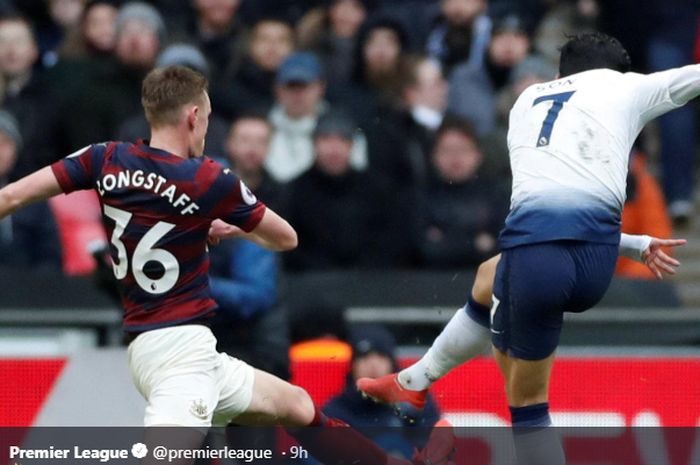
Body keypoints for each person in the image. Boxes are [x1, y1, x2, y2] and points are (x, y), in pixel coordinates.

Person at [0, 65, 453, 465]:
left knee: (296, 404)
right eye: (208, 118)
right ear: (193, 116)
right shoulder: (208, 179)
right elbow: (286, 238)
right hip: (179, 356)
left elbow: (11, 196)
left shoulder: (102, 157)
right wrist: (232, 226)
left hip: (172, 348)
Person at [360, 31, 697, 465]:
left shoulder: (526, 101)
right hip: (596, 262)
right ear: (616, 72)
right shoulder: (627, 87)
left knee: (528, 407)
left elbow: (555, 197)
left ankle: (416, 381)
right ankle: (415, 379)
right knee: (488, 274)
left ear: (560, 73)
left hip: (537, 264)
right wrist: (632, 244)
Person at [324, 325, 440, 458]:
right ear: (353, 365)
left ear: (392, 363)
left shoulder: (416, 404)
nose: (373, 365)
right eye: (364, 357)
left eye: (381, 356)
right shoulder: (337, 410)